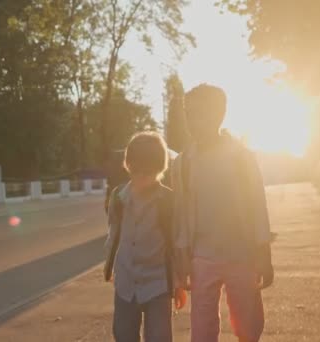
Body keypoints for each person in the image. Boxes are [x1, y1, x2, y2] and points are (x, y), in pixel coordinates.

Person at [171, 84, 274, 342]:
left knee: (248, 326)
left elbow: (257, 206)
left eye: (201, 114)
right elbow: (181, 214)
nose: (194, 121)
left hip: (242, 255)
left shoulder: (241, 157)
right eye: (189, 114)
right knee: (202, 329)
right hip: (202, 258)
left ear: (220, 114)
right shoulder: (183, 163)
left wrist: (264, 254)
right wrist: (182, 257)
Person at [104, 132, 187, 342]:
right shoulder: (118, 197)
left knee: (159, 336)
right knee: (123, 334)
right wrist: (111, 266)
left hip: (158, 283)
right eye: (136, 171)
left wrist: (178, 283)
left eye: (147, 172)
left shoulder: (168, 201)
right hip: (126, 282)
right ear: (127, 165)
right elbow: (114, 234)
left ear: (160, 169)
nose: (141, 177)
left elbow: (175, 242)